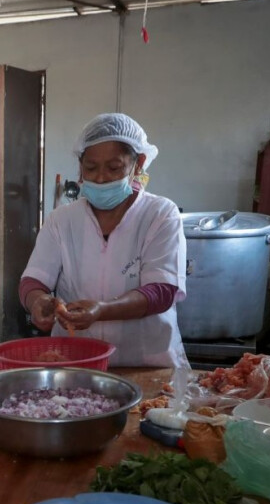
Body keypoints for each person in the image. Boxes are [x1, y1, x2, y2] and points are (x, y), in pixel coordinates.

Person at [20, 113, 188, 367]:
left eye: (113, 168)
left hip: (146, 364)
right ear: (80, 166)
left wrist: (102, 310)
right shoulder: (62, 220)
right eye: (90, 168)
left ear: (138, 163)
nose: (99, 178)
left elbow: (162, 290)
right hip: (77, 362)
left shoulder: (160, 214)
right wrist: (38, 302)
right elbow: (33, 280)